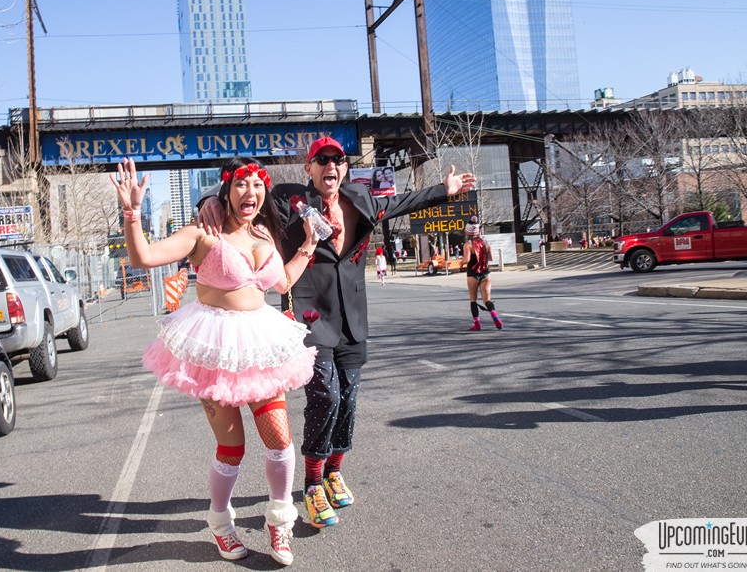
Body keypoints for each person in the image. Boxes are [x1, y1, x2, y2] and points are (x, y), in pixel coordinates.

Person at [199, 136, 477, 529]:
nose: (331, 165)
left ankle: (332, 471)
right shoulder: (289, 201)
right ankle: (312, 484)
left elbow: (399, 203)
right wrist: (209, 201)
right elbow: (246, 200)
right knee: (325, 395)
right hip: (312, 317)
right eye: (321, 160)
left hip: (352, 317)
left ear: (344, 167)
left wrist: (443, 191)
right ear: (309, 168)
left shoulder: (359, 199)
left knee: (348, 399)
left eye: (338, 159)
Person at [111, 156, 321, 566]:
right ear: (226, 190)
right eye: (241, 183)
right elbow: (143, 258)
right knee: (232, 447)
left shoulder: (264, 231)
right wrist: (132, 213)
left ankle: (279, 522)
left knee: (279, 440)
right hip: (218, 350)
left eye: (257, 184)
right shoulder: (204, 233)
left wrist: (309, 247)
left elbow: (280, 283)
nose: (250, 192)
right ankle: (221, 525)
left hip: (260, 347)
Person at [461, 216, 502, 331]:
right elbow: (491, 257)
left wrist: (461, 262)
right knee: (487, 299)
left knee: (473, 299)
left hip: (472, 274)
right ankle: (495, 315)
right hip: (485, 273)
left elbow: (467, 260)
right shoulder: (485, 243)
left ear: (468, 231)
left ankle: (477, 324)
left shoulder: (468, 245)